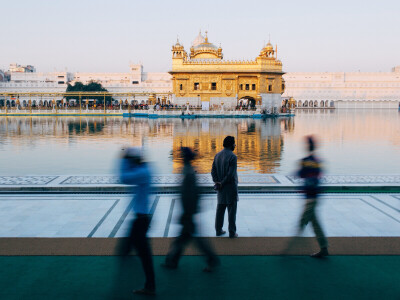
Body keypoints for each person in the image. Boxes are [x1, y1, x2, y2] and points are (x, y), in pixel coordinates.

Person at [164, 147, 219, 271]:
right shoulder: (188, 170)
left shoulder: (188, 172)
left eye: (182, 156)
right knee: (184, 238)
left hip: (188, 212)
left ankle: (211, 259)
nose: (181, 158)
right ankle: (172, 261)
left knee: (191, 239)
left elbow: (190, 194)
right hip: (188, 212)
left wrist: (187, 212)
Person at [117, 147, 156, 295]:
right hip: (141, 217)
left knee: (144, 254)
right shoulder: (145, 169)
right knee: (131, 249)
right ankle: (148, 284)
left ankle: (150, 286)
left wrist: (123, 159)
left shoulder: (142, 172)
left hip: (142, 218)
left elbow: (123, 177)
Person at [296, 135, 328, 258]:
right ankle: (323, 247)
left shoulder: (307, 161)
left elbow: (302, 175)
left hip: (311, 196)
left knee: (302, 222)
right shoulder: (316, 161)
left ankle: (292, 247)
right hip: (313, 195)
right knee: (314, 223)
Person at [211, 136, 239, 238]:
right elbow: (230, 174)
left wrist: (217, 182)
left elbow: (213, 171)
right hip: (230, 187)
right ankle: (232, 232)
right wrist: (222, 182)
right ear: (231, 144)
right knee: (231, 210)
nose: (235, 145)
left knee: (220, 209)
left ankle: (218, 230)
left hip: (221, 188)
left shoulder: (217, 155)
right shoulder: (233, 157)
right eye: (234, 143)